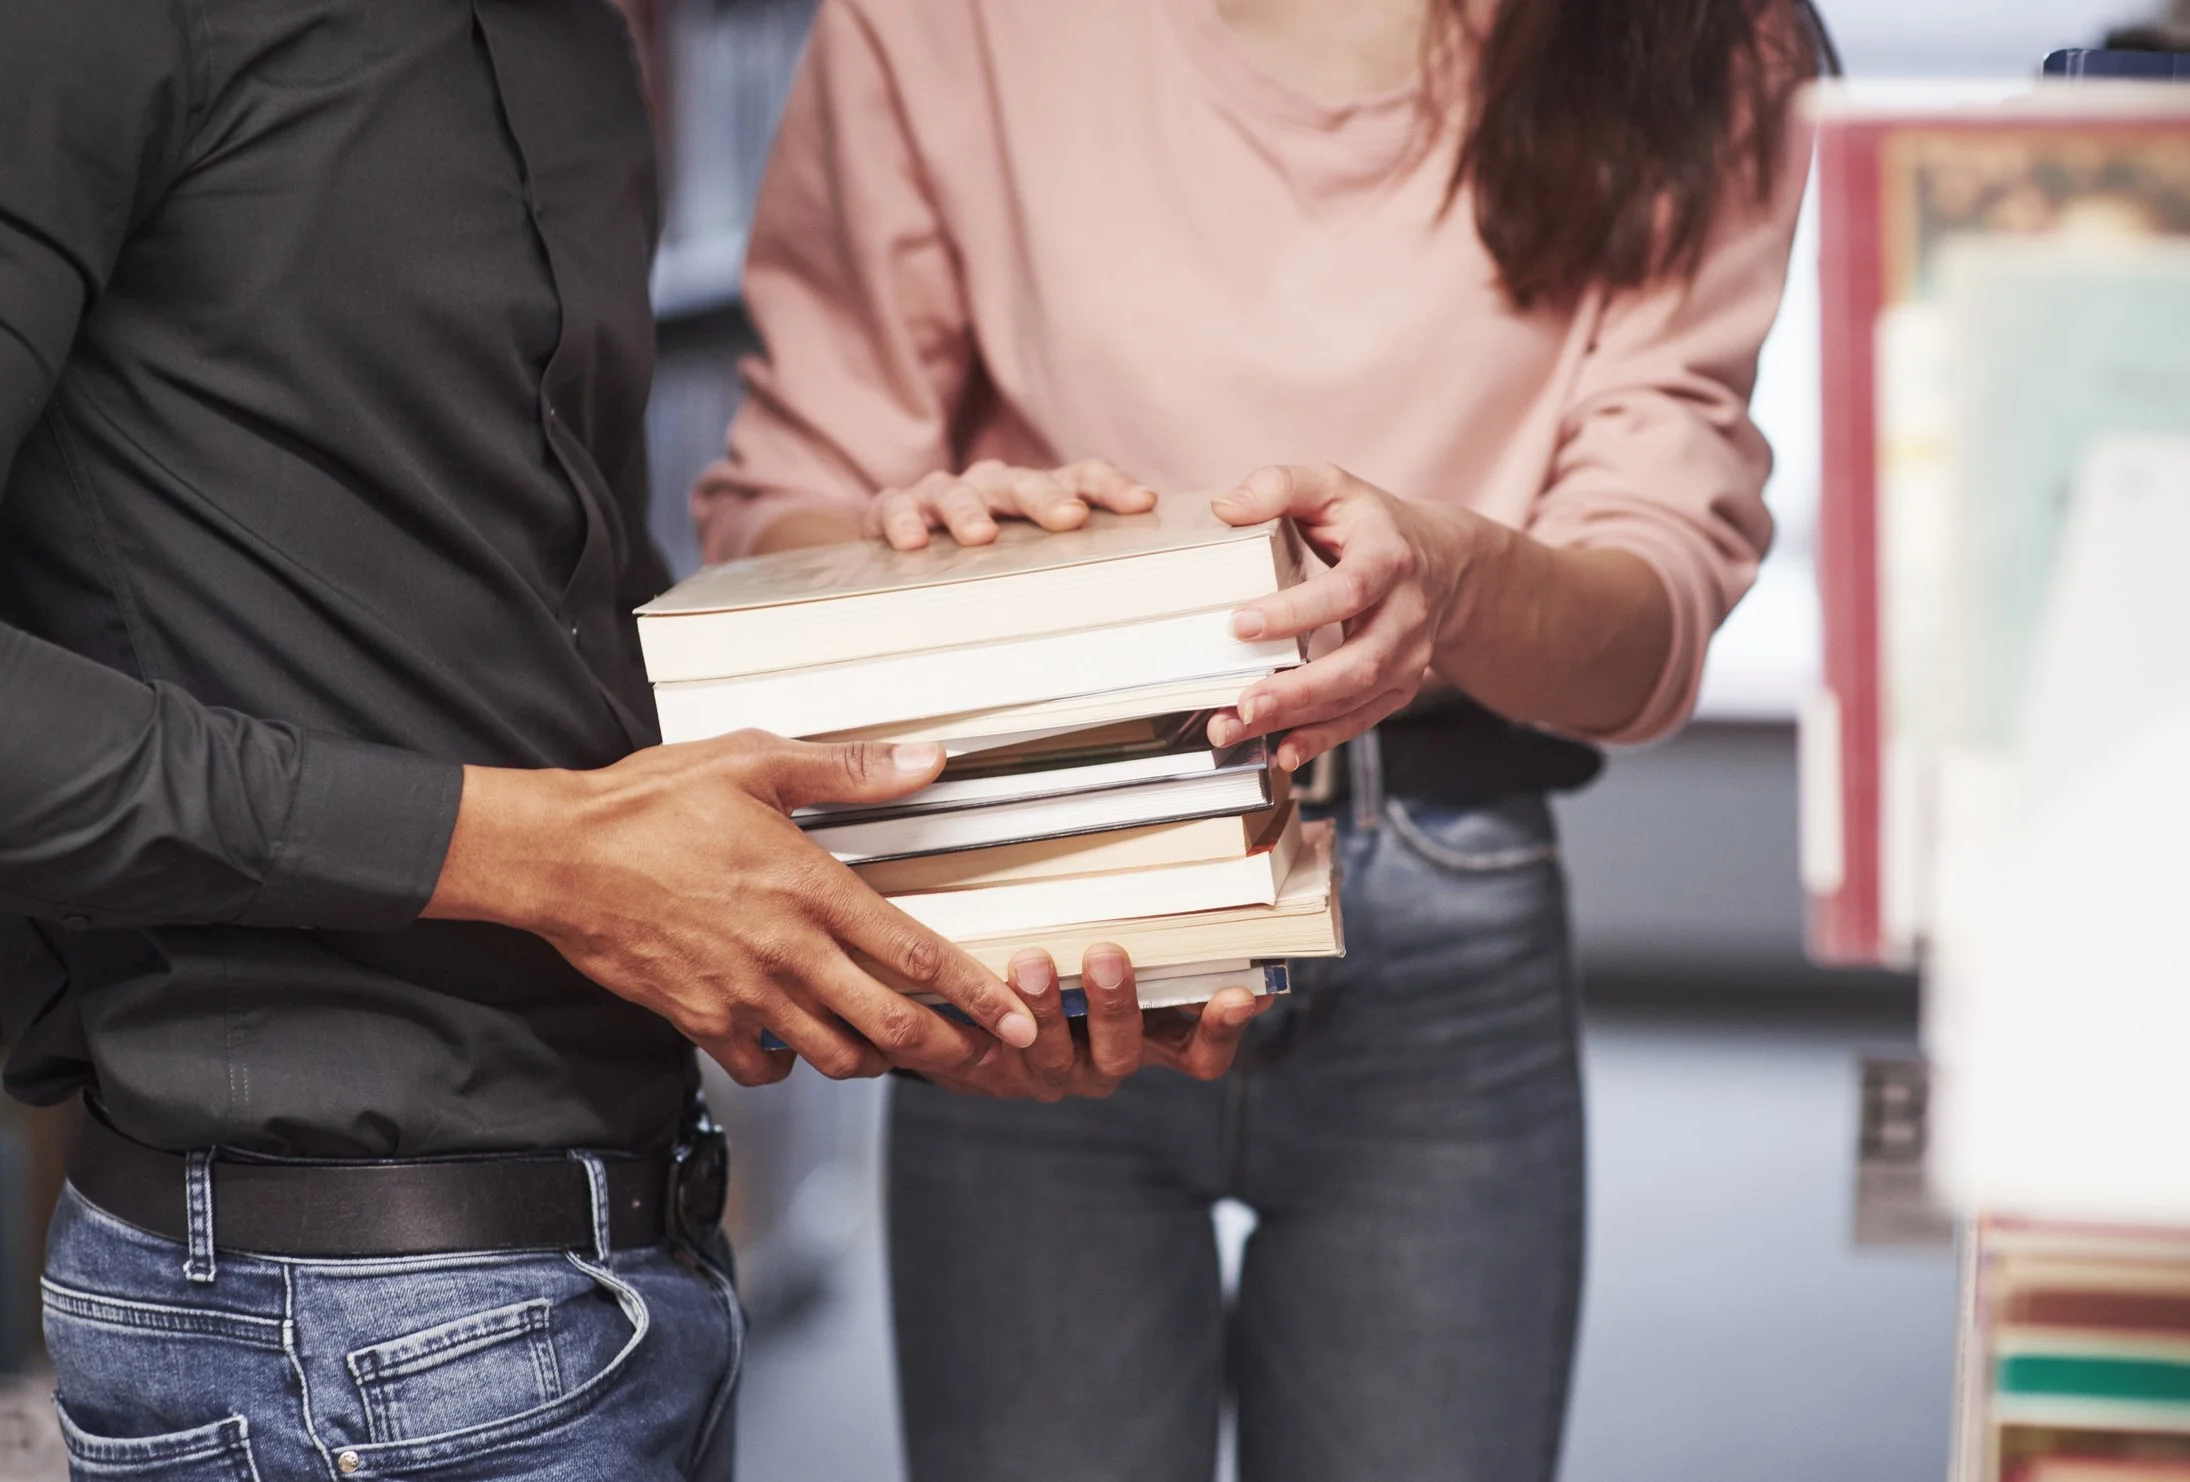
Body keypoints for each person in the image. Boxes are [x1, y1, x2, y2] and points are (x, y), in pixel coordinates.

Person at [0, 1, 1268, 1476]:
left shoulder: (582, 46)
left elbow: (539, 639)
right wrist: (540, 858)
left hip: (627, 1267)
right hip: (325, 1328)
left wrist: (932, 896)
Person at [692, 0, 1829, 1476]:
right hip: (1034, 888)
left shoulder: (1699, 40)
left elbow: (1655, 606)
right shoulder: (943, 22)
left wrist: (1457, 583)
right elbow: (781, 502)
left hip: (1442, 880)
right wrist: (905, 547)